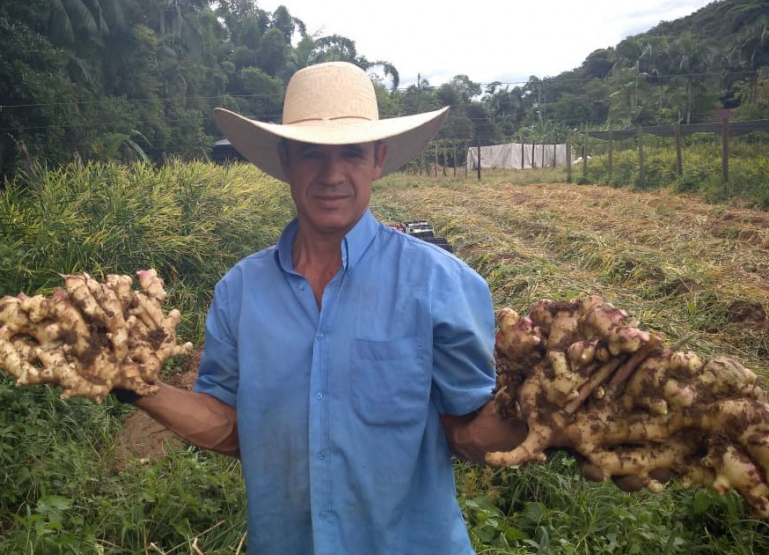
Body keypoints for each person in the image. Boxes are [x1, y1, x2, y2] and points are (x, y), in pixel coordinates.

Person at [126, 61, 526, 555]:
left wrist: (543, 411)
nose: (332, 174)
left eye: (352, 154)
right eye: (312, 154)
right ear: (286, 159)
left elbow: (467, 433)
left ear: (378, 160)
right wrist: (134, 387)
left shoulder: (439, 284)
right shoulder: (240, 292)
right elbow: (231, 427)